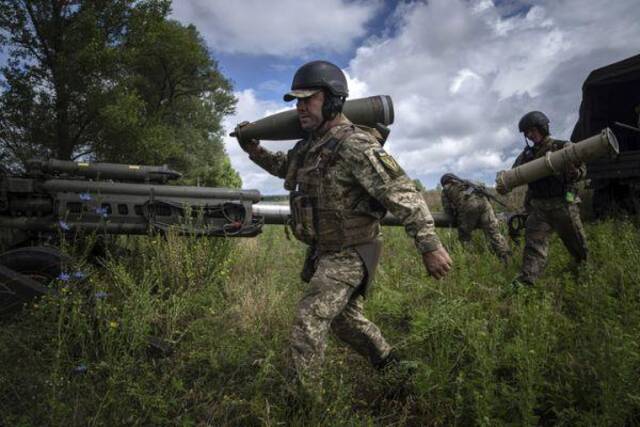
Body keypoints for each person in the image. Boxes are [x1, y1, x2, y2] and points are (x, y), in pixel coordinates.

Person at [235, 60, 452, 390]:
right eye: (297, 101)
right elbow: (285, 168)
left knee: (309, 320)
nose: (300, 107)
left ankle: (305, 408)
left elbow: (403, 193)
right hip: (325, 251)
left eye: (309, 99)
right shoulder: (309, 145)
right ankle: (396, 370)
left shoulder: (356, 144)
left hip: (352, 250)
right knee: (346, 323)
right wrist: (254, 150)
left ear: (334, 100)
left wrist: (430, 246)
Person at [497, 111, 587, 287]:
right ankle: (526, 282)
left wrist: (576, 173)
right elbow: (513, 175)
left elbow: (583, 169)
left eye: (533, 130)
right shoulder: (526, 156)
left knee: (576, 244)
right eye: (527, 133)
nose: (530, 135)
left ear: (543, 128)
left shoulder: (563, 147)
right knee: (533, 247)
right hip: (539, 209)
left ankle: (584, 273)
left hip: (563, 204)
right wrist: (503, 181)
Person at [440, 173, 511, 263]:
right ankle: (506, 258)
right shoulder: (467, 182)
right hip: (485, 204)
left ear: (444, 182)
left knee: (465, 237)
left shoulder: (446, 189)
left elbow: (448, 210)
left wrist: (457, 215)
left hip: (469, 207)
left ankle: (473, 261)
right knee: (493, 233)